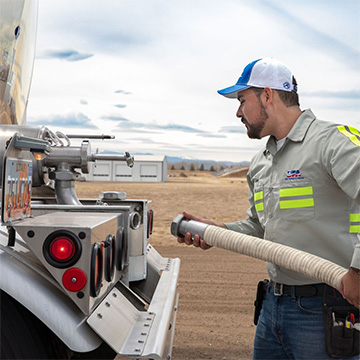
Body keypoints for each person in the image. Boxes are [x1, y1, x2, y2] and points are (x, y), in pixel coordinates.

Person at [177, 57, 360, 359]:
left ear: (267, 95)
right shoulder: (261, 162)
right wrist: (218, 232)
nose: (238, 112)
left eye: (241, 100)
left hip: (327, 307)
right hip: (273, 307)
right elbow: (259, 227)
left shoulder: (333, 142)